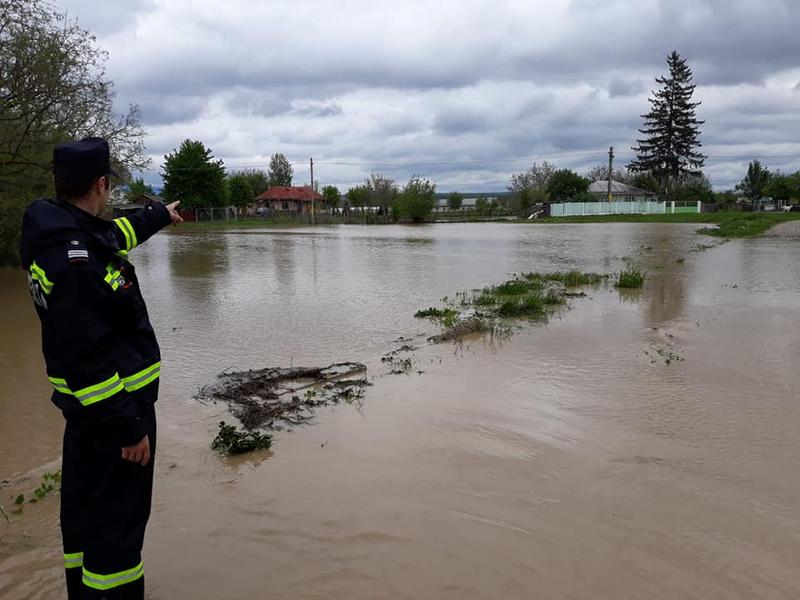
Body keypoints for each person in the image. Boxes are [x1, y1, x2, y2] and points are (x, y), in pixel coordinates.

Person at [19, 137, 182, 599]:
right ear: (102, 184)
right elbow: (86, 362)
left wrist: (157, 215)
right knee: (118, 532)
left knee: (85, 517)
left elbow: (116, 235)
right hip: (115, 415)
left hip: (86, 416)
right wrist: (128, 428)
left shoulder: (62, 232)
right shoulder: (77, 264)